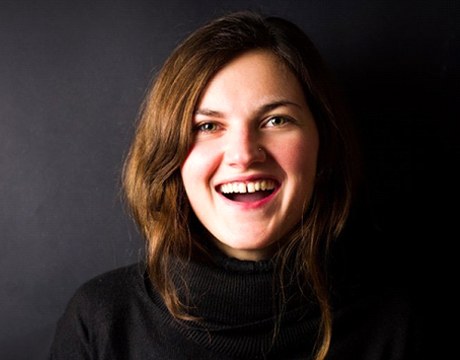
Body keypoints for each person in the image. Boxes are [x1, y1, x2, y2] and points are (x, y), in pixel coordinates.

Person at [49, 10, 422, 360]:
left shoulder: (399, 322)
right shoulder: (100, 322)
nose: (243, 155)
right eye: (207, 126)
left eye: (276, 120)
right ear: (170, 158)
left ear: (322, 145)